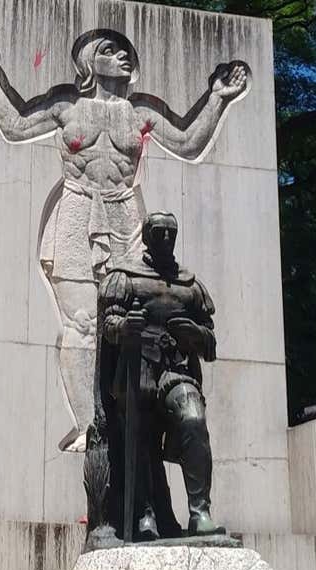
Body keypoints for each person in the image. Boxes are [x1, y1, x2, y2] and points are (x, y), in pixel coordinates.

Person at [0, 27, 249, 451]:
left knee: (135, 324)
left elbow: (187, 143)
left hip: (126, 215)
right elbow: (16, 126)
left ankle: (140, 424)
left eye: (125, 50)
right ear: (88, 65)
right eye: (108, 51)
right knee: (82, 324)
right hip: (76, 212)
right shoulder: (67, 107)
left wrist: (218, 98)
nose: (122, 56)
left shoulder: (139, 113)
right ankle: (85, 426)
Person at [87, 211, 223, 542]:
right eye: (159, 232)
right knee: (140, 440)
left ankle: (200, 512)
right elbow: (109, 325)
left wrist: (194, 333)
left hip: (176, 371)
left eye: (171, 233)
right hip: (138, 371)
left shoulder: (190, 286)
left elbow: (210, 343)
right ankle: (144, 513)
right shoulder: (126, 278)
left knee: (193, 420)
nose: (165, 239)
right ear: (147, 236)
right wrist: (126, 327)